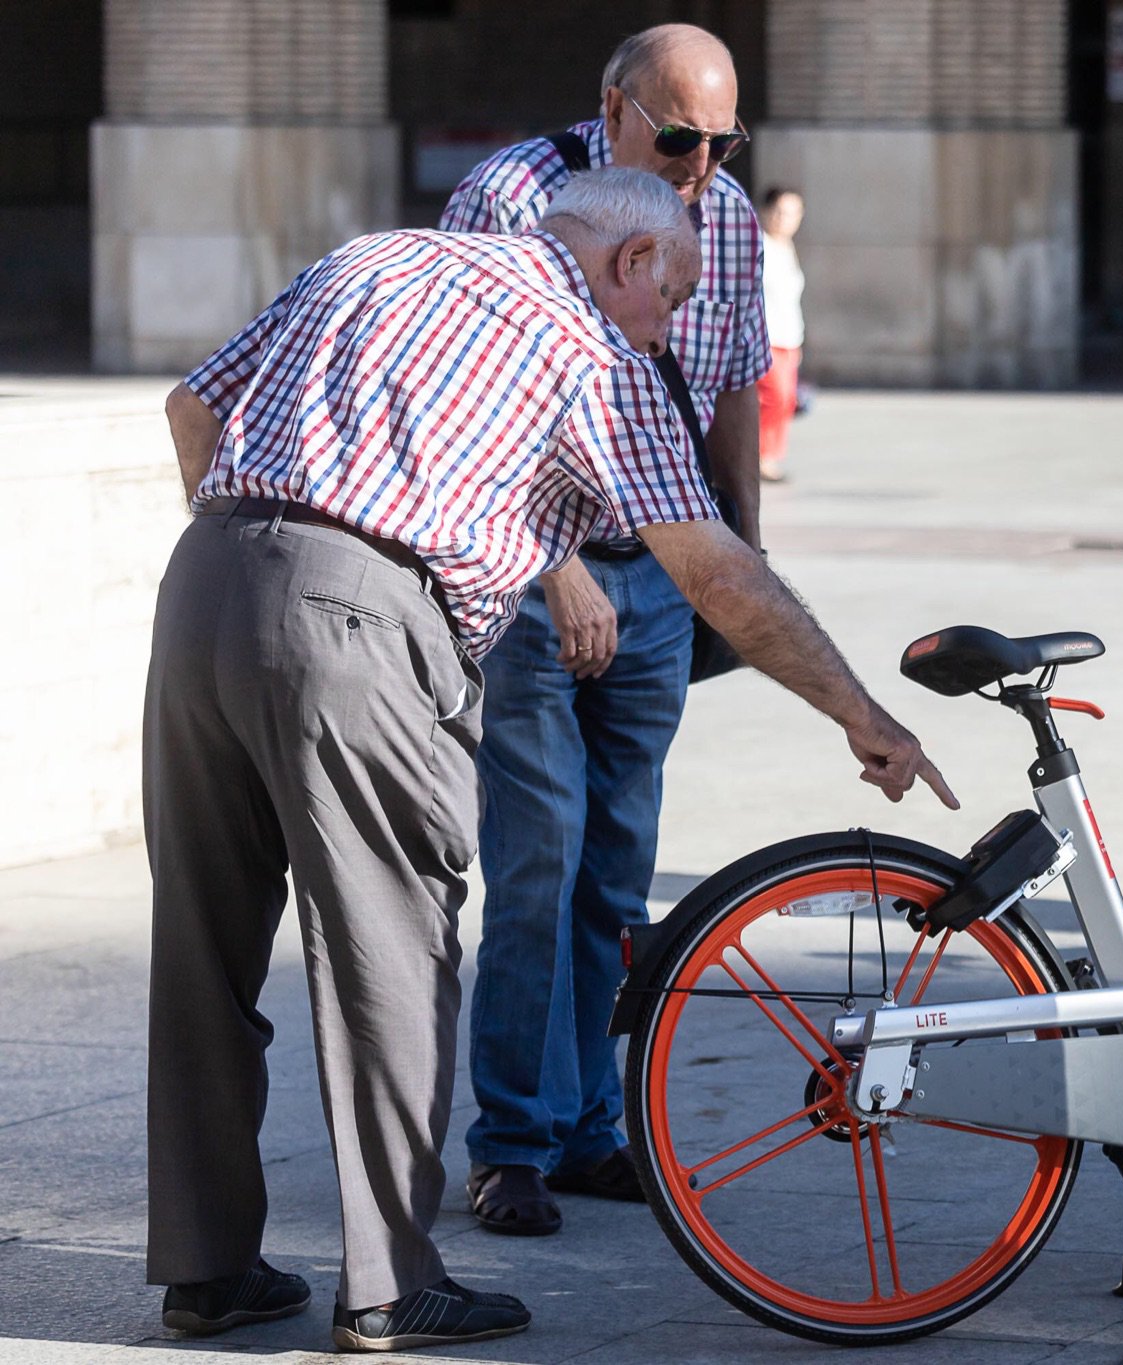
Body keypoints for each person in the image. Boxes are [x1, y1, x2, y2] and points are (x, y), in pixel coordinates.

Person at [145, 167, 955, 1352]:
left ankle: (207, 1272)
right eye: (672, 298)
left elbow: (190, 407)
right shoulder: (594, 355)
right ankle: (385, 1287)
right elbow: (717, 573)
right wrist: (860, 713)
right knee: (389, 954)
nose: (669, 328)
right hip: (364, 618)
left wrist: (263, 561)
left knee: (202, 954)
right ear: (629, 264)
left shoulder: (375, 256)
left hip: (207, 582)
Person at [437, 24, 770, 1236]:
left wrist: (742, 551)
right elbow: (470, 397)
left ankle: (588, 1128)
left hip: (662, 576)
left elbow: (734, 375)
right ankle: (511, 1141)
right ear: (612, 108)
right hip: (538, 578)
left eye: (724, 140)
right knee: (537, 858)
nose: (700, 163)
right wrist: (557, 563)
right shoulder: (513, 197)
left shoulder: (724, 212)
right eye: (678, 137)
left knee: (617, 875)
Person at [757, 186, 806, 483]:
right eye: (780, 212)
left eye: (792, 213)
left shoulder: (788, 248)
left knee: (786, 402)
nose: (785, 219)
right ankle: (762, 456)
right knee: (776, 397)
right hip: (767, 338)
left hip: (789, 337)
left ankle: (771, 455)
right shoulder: (760, 246)